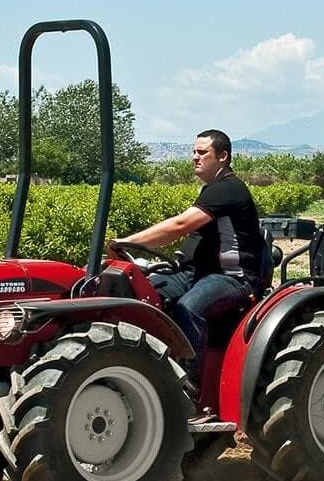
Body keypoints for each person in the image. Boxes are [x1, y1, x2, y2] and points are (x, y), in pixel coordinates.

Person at [108, 129, 265, 364]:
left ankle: (189, 380)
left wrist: (128, 242)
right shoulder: (210, 189)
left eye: (202, 152)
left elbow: (179, 225)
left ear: (223, 157)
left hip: (232, 278)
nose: (195, 157)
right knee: (141, 297)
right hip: (196, 272)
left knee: (189, 308)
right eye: (194, 152)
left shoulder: (228, 189)